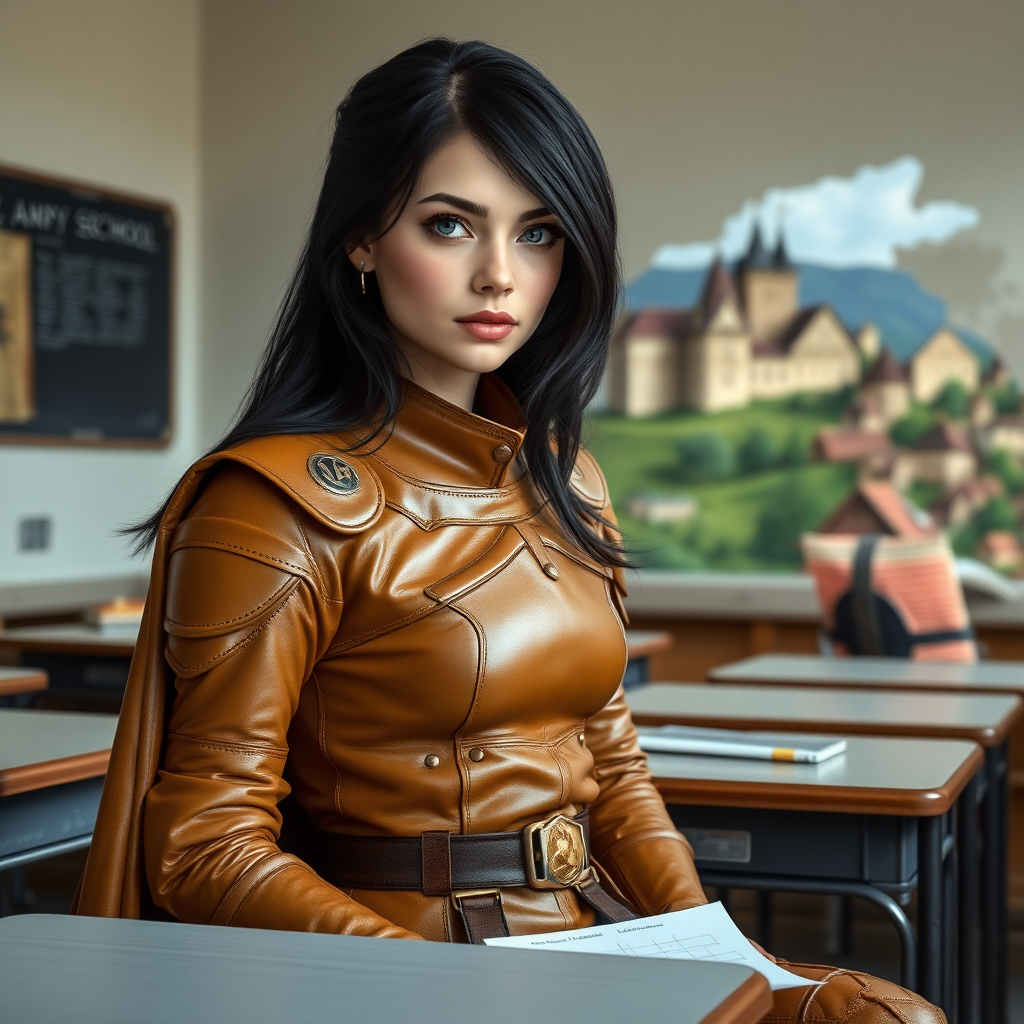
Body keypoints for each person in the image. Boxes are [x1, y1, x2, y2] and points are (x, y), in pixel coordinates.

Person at [77, 38, 945, 1023]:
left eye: (537, 233)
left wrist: (741, 959)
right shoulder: (267, 505)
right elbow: (203, 845)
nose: (499, 275)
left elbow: (611, 769)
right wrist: (441, 986)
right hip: (407, 963)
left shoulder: (565, 475)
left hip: (598, 927)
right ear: (361, 237)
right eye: (449, 225)